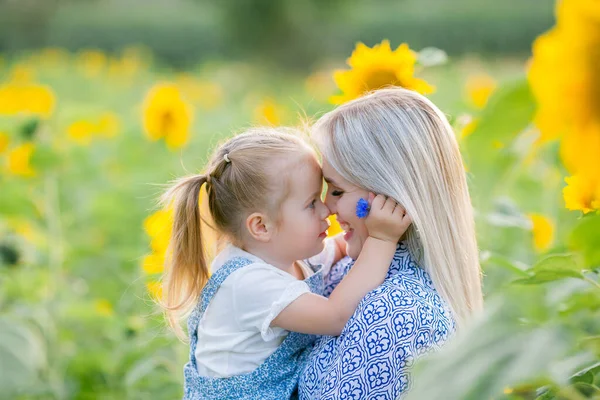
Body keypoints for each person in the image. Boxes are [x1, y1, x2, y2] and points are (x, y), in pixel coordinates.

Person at [158, 127, 412, 399]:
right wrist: (382, 239)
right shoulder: (248, 283)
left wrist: (363, 226)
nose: (326, 209)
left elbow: (337, 248)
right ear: (261, 226)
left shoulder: (287, 254)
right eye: (311, 203)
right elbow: (336, 316)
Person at [299, 88, 484, 399]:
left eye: (337, 191)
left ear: (391, 196)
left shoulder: (393, 312)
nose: (326, 206)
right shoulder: (352, 272)